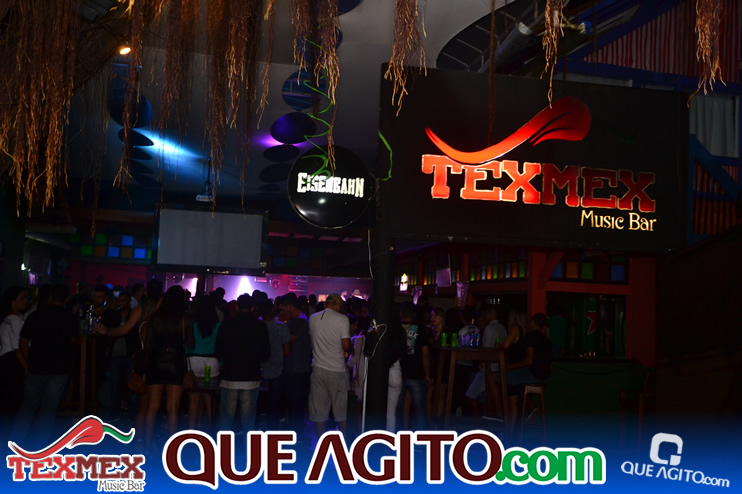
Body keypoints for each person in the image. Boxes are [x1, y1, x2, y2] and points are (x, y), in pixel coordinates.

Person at [13, 285, 78, 446]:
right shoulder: (69, 317)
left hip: (37, 366)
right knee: (49, 409)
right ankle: (42, 445)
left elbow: (23, 342)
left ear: (49, 298)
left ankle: (15, 441)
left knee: (28, 406)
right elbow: (74, 340)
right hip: (59, 368)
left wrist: (28, 361)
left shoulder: (35, 316)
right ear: (65, 300)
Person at [142, 285, 194, 449]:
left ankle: (147, 446)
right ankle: (172, 448)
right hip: (175, 363)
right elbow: (191, 344)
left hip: (155, 362)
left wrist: (143, 369)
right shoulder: (185, 318)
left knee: (152, 407)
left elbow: (147, 346)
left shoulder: (154, 317)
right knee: (172, 408)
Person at [216, 294, 270, 433]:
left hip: (229, 377)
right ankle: (247, 446)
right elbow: (266, 353)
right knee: (248, 422)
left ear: (237, 307)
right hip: (250, 377)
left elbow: (218, 351)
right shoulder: (260, 326)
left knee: (226, 422)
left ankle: (224, 446)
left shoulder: (226, 325)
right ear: (252, 308)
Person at [308, 293, 353, 437]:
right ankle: (343, 445)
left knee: (319, 414)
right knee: (341, 413)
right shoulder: (342, 319)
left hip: (317, 369)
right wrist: (352, 347)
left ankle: (322, 444)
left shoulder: (313, 318)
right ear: (338, 305)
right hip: (337, 371)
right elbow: (346, 346)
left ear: (325, 304)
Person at [505, 313, 552, 435]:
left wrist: (511, 366)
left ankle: (503, 416)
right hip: (544, 376)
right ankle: (530, 407)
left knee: (503, 377)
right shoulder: (545, 339)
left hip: (534, 374)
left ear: (532, 323)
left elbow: (529, 361)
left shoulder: (531, 336)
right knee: (517, 381)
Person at [279, 293, 312, 435]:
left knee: (296, 401)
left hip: (298, 367)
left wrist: (283, 322)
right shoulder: (296, 321)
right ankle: (294, 430)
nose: (281, 313)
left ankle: (296, 431)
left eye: (282, 310)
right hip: (293, 366)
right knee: (292, 401)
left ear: (290, 307)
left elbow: (290, 338)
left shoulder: (301, 321)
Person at [187, 295, 221, 429]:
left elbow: (187, 344)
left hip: (193, 361)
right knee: (209, 396)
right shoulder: (218, 325)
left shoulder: (192, 323)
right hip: (212, 361)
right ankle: (211, 427)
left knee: (193, 398)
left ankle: (192, 429)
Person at [396, 302, 432, 431]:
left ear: (401, 314)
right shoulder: (421, 331)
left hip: (398, 373)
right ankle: (421, 438)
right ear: (414, 315)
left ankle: (398, 435)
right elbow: (425, 355)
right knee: (420, 410)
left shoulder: (395, 330)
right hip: (416, 374)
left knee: (397, 409)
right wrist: (427, 374)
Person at [0, 287, 29, 438]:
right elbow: (18, 347)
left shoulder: (7, 318)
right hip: (12, 362)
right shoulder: (15, 320)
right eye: (22, 299)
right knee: (13, 401)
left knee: (7, 401)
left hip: (5, 359)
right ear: (13, 302)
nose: (26, 301)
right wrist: (26, 366)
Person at [259, 299, 290, 430]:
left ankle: (254, 430)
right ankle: (272, 431)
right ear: (273, 310)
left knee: (257, 402)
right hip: (277, 368)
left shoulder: (257, 325)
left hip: (258, 368)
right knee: (274, 402)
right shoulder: (281, 326)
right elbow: (287, 350)